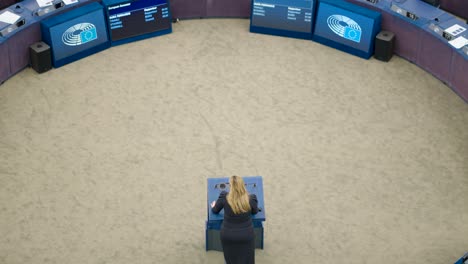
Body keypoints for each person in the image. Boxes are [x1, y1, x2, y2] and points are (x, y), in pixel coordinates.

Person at [211, 175, 259, 264]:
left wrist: (214, 205)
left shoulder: (224, 197)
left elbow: (215, 210)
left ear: (231, 187)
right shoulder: (251, 198)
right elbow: (255, 211)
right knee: (248, 260)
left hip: (228, 236)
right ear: (243, 186)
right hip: (246, 236)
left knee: (231, 260)